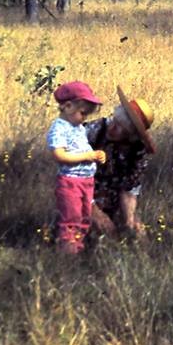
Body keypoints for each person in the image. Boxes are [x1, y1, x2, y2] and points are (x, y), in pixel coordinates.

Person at [85, 86, 155, 243]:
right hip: (79, 194)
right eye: (114, 121)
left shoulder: (137, 151)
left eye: (120, 128)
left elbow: (129, 189)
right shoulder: (93, 131)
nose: (112, 128)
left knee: (136, 233)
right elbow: (69, 176)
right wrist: (92, 210)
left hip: (112, 200)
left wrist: (129, 219)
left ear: (131, 136)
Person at [46, 81, 108, 254]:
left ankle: (78, 247)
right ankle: (69, 252)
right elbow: (59, 155)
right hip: (70, 182)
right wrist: (86, 157)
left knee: (85, 216)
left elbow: (82, 149)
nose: (85, 118)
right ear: (67, 106)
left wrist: (96, 156)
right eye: (82, 113)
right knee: (71, 217)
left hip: (86, 181)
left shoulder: (78, 128)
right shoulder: (59, 129)